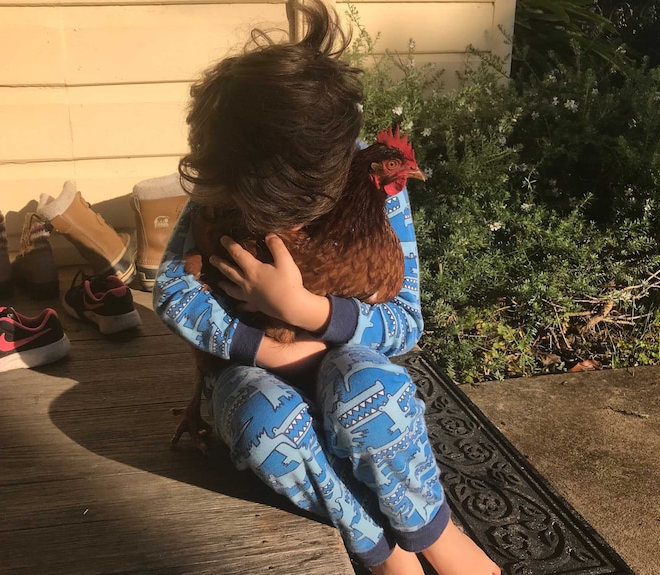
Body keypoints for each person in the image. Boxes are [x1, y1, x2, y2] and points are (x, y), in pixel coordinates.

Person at [153, 1, 500, 573]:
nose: (276, 224)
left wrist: (303, 308)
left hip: (347, 359)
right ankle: (382, 551)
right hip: (250, 374)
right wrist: (269, 348)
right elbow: (172, 288)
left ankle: (433, 531)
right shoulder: (225, 189)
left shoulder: (374, 185)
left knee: (372, 391)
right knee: (264, 416)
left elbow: (407, 322)